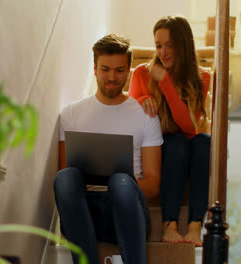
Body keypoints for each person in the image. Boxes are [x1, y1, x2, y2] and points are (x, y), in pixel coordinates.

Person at [54, 34, 163, 264]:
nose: (112, 77)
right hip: (86, 212)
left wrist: (120, 185)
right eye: (105, 69)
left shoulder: (145, 115)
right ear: (94, 68)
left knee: (121, 182)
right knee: (65, 177)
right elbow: (66, 181)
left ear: (129, 69)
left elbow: (153, 185)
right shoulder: (71, 114)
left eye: (120, 70)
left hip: (127, 208)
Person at [128, 15, 211, 247]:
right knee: (177, 143)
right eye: (158, 46)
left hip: (186, 145)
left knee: (204, 140)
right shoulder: (142, 73)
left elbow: (188, 127)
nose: (163, 52)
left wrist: (165, 83)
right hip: (156, 150)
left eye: (170, 46)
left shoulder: (202, 77)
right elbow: (131, 118)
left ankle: (195, 224)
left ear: (183, 46)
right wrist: (143, 97)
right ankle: (169, 224)